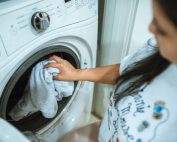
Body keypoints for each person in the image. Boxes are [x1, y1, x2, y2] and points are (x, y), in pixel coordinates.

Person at [45, 0, 177, 141]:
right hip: (107, 131)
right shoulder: (156, 48)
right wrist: (76, 73)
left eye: (162, 29)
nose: (151, 28)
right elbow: (125, 70)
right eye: (155, 18)